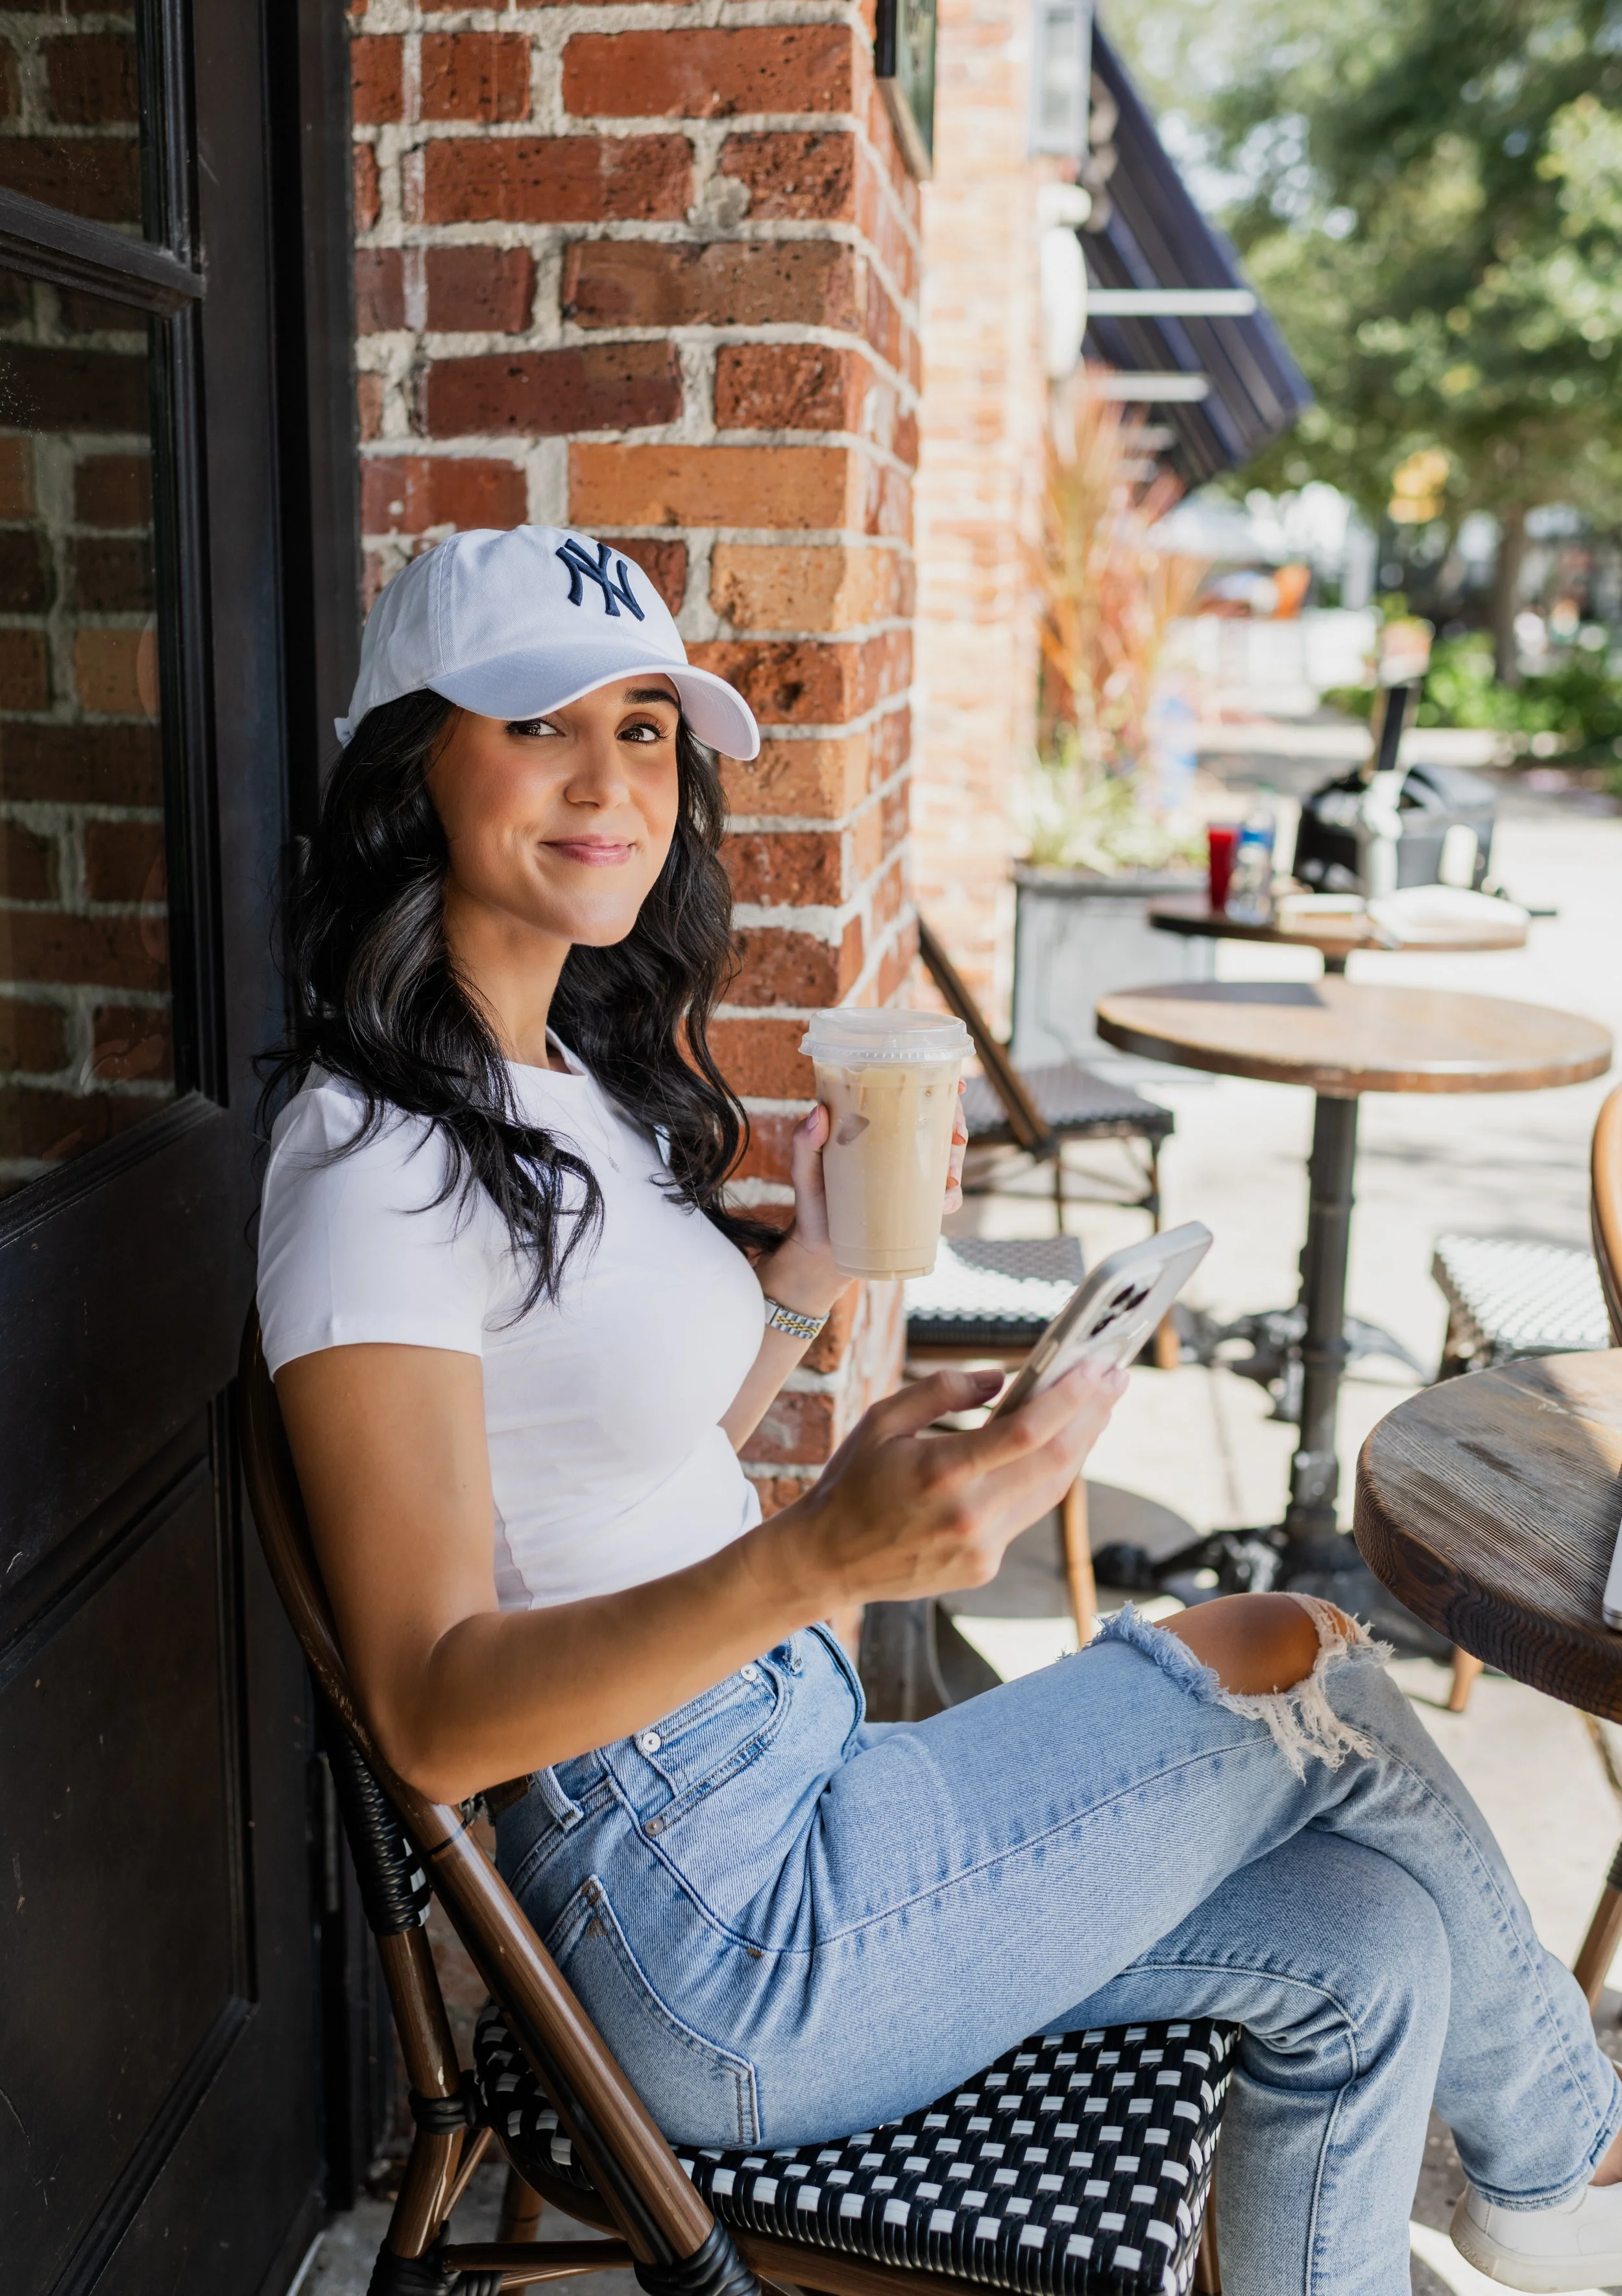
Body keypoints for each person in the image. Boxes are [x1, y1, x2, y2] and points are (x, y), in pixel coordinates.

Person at [260, 526, 1622, 2296]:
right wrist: (822, 1557)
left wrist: (811, 1269)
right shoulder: (369, 1168)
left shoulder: (559, 1078)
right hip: (707, 1930)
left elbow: (628, 1447)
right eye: (537, 726)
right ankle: (1563, 2156)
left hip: (797, 1788)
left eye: (649, 729)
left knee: (1362, 1944)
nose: (611, 779)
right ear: (410, 768)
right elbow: (432, 1720)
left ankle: (1530, 2170)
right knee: (1289, 1652)